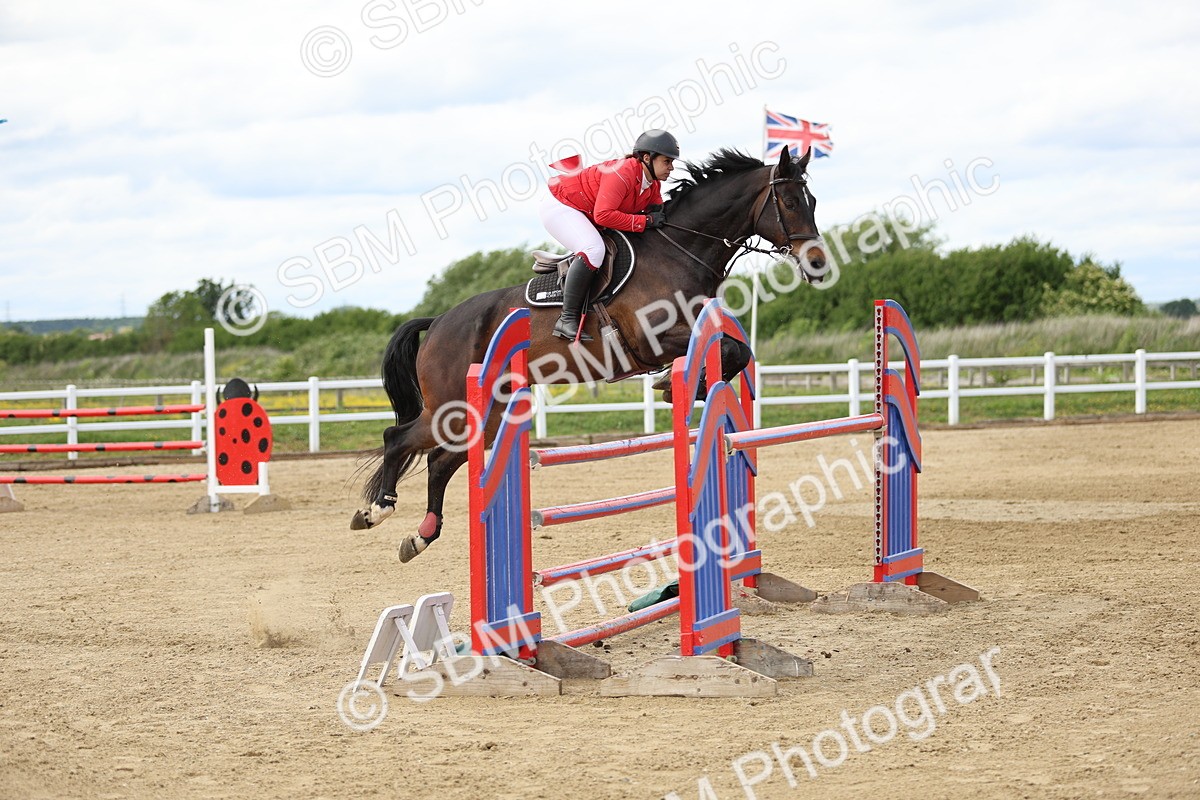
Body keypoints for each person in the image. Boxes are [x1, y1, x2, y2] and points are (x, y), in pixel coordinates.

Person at [539, 129, 680, 342]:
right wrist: (645, 221)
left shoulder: (653, 184)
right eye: (667, 161)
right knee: (593, 249)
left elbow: (658, 214)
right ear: (646, 158)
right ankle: (566, 318)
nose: (671, 167)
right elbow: (604, 216)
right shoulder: (622, 173)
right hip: (561, 205)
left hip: (586, 211)